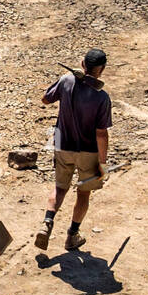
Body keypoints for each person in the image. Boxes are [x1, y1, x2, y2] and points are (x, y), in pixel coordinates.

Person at [36, 49, 112, 251]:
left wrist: (67, 82)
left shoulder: (66, 81)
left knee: (60, 187)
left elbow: (45, 99)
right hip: (88, 151)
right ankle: (72, 236)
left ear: (82, 63)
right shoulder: (102, 97)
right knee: (83, 194)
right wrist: (102, 163)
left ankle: (47, 222)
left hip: (62, 145)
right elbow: (101, 133)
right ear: (101, 69)